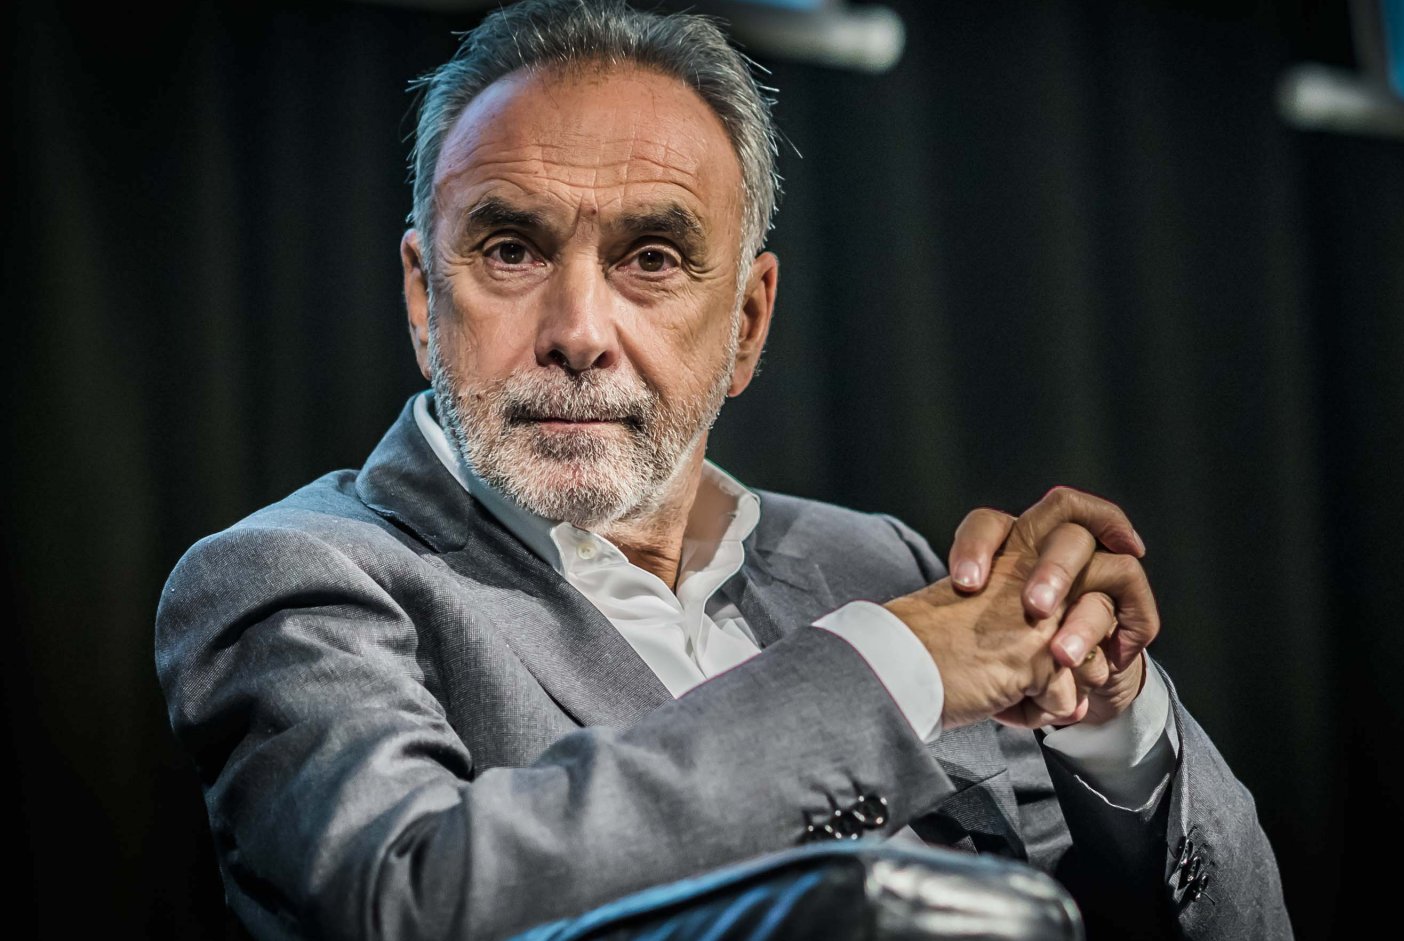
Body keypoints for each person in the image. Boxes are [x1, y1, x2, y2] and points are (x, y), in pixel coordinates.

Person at [155, 2, 1291, 939]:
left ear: (747, 322)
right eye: (510, 249)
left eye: (651, 257)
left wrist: (1112, 724)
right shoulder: (295, 577)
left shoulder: (875, 560)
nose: (578, 331)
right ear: (422, 296)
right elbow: (408, 900)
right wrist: (897, 663)